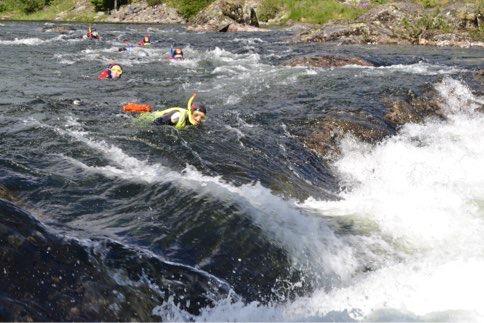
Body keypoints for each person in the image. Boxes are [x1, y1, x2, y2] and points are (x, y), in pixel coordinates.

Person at [137, 93, 206, 129]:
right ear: (191, 113)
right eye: (196, 115)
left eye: (202, 117)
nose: (198, 119)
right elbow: (156, 123)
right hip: (145, 118)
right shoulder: (177, 116)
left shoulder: (196, 122)